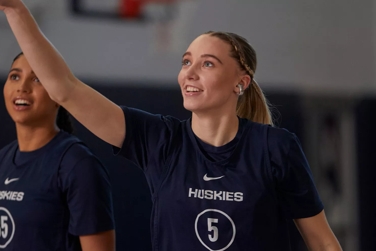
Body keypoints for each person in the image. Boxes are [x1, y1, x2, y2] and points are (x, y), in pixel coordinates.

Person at [0, 1, 342, 250]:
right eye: (186, 61)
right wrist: (16, 10)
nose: (189, 72)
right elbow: (65, 88)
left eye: (207, 63)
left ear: (241, 82)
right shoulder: (161, 141)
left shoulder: (275, 148)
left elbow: (323, 243)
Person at [0, 52, 115, 251]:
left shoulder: (77, 165)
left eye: (37, 79)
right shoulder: (3, 160)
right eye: (15, 76)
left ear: (58, 95)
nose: (22, 87)